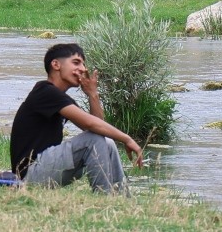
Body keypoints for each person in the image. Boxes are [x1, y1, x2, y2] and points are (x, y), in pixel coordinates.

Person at [10, 42, 145, 192]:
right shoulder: (45, 91)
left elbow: (98, 128)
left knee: (107, 142)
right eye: (76, 62)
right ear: (56, 64)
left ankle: (120, 198)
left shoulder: (59, 97)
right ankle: (105, 197)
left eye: (83, 64)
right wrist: (127, 139)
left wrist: (93, 94)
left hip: (44, 169)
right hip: (29, 175)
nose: (83, 69)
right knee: (93, 140)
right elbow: (90, 125)